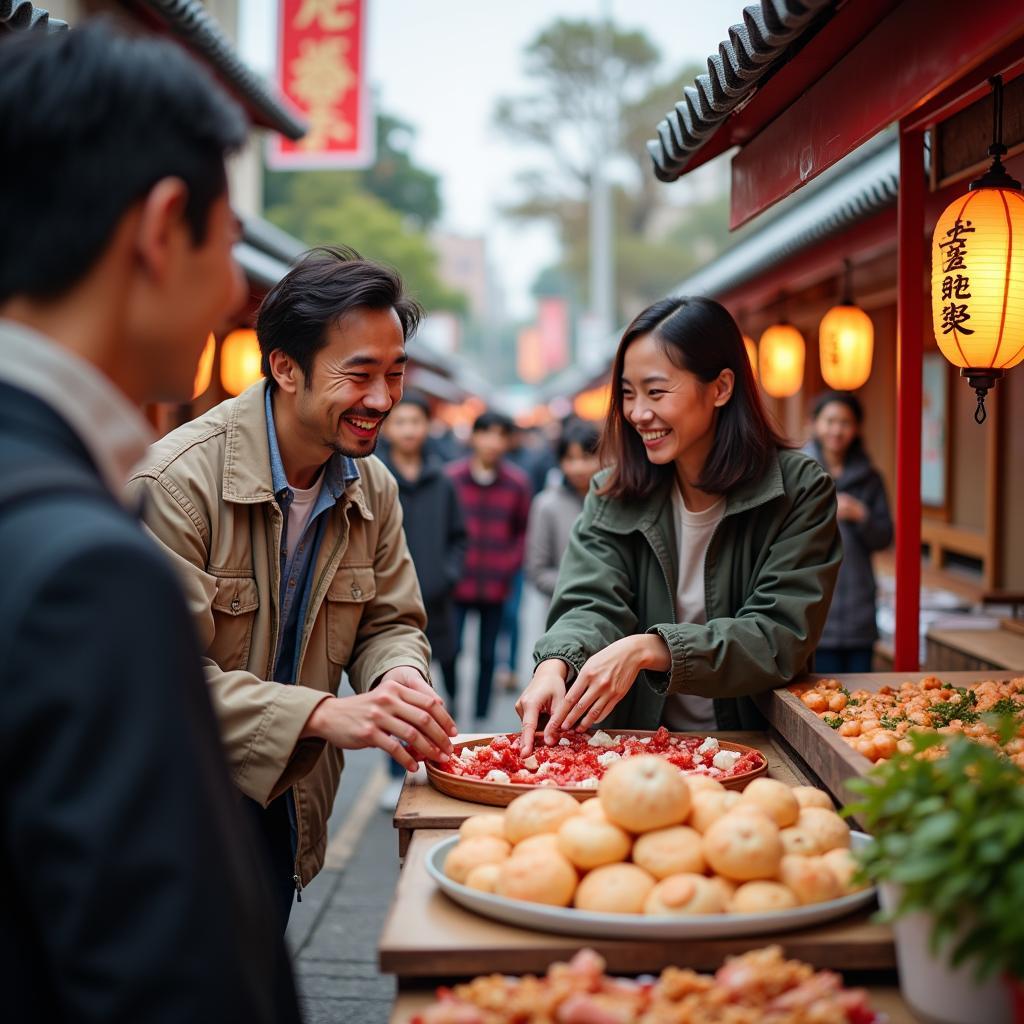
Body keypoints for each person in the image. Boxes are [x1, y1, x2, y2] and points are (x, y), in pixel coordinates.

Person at [0, 21, 300, 1022]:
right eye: (227, 247)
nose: (229, 295)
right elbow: (173, 980)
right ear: (162, 227)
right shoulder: (88, 571)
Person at [127, 246, 457, 928]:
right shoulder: (175, 485)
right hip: (173, 807)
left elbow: (390, 621)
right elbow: (159, 676)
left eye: (395, 375)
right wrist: (319, 715)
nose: (382, 400)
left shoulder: (374, 487)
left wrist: (398, 677)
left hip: (288, 800)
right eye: (359, 374)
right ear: (284, 367)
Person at [516, 296, 842, 756]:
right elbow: (590, 601)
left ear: (721, 387)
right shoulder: (614, 490)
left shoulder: (797, 490)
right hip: (638, 745)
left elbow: (778, 634)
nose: (637, 413)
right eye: (627, 394)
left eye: (656, 391)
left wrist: (654, 648)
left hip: (754, 742)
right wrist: (556, 662)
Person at [378, 391, 467, 807]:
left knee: (445, 674)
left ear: (427, 427)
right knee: (397, 683)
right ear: (388, 427)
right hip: (393, 606)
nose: (409, 430)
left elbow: (458, 536)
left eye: (416, 422)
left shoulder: (443, 479)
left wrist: (448, 575)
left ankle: (450, 750)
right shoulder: (375, 476)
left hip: (439, 600)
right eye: (401, 422)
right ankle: (397, 770)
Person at [448, 411, 532, 724]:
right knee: (451, 649)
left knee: (487, 655)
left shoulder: (517, 484)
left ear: (508, 441)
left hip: (497, 585)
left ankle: (480, 716)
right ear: (474, 437)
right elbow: (441, 530)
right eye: (486, 434)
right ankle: (453, 700)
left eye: (500, 435)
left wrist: (509, 565)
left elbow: (524, 531)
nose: (493, 443)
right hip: (458, 583)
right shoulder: (452, 478)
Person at [803, 391, 893, 674]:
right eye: (830, 421)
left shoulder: (870, 477)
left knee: (859, 698)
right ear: (815, 424)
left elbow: (884, 537)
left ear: (856, 429)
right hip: (811, 605)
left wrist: (861, 515)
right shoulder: (798, 473)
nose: (836, 430)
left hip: (858, 608)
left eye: (845, 422)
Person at [525, 420, 602, 600]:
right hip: (564, 611)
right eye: (570, 459)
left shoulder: (616, 501)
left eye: (586, 457)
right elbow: (537, 571)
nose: (578, 467)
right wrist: (583, 587)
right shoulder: (546, 505)